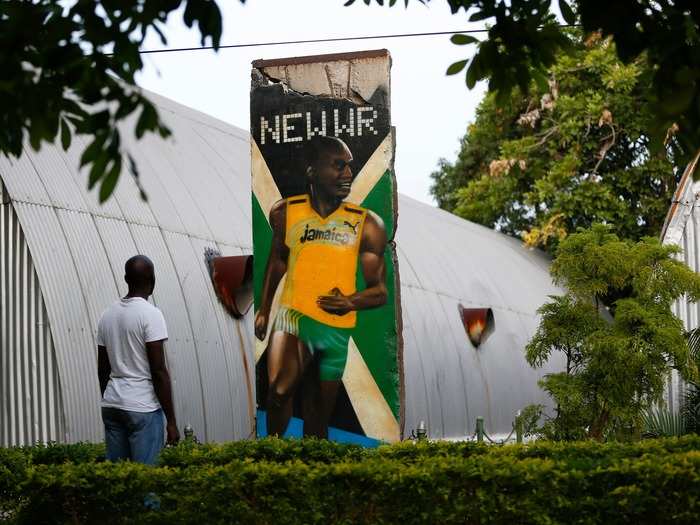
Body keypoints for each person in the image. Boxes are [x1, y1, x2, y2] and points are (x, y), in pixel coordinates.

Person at [255, 136, 388, 438]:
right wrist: (264, 309)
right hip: (294, 316)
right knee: (278, 391)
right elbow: (278, 261)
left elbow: (379, 291)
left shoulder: (367, 225)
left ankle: (313, 473)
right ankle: (270, 454)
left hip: (335, 329)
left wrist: (351, 301)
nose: (348, 174)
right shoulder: (286, 213)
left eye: (349, 167)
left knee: (317, 417)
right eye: (338, 166)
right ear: (312, 172)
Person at [97, 255, 179, 465]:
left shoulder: (107, 315)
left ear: (126, 279)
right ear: (152, 280)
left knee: (120, 482)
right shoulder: (151, 315)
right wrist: (171, 421)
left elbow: (102, 368)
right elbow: (159, 370)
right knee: (146, 483)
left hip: (112, 404)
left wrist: (111, 395)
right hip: (142, 408)